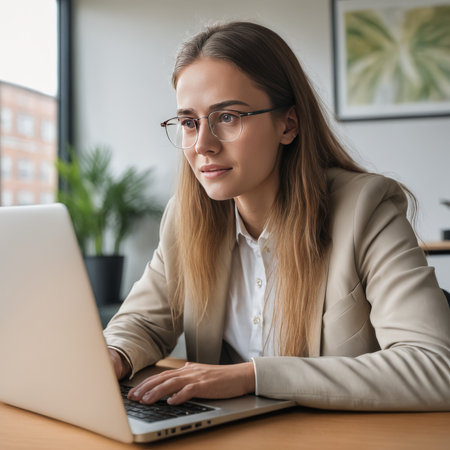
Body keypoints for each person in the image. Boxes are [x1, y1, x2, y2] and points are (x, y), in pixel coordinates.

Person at [104, 21, 450, 411]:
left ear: (288, 124)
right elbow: (144, 322)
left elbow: (436, 367)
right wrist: (114, 354)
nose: (203, 145)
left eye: (228, 117)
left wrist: (252, 376)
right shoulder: (187, 218)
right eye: (189, 122)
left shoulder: (366, 210)